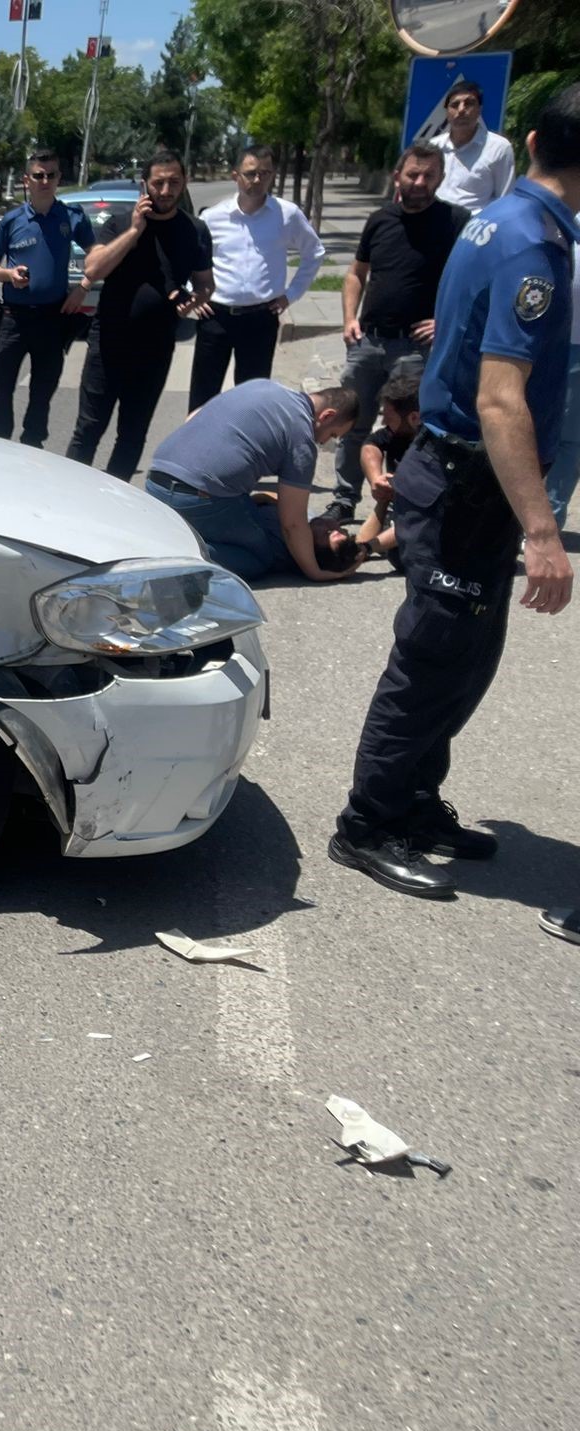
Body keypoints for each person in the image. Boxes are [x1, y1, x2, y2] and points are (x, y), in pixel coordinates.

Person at [330, 83, 579, 900]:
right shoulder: (532, 247)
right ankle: (365, 824)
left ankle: (413, 801)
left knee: (465, 657)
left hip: (469, 480)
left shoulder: (500, 218)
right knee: (432, 657)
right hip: (469, 479)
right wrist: (544, 533)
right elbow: (501, 399)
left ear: (534, 140)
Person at [326, 144, 469, 520]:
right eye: (413, 175)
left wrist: (446, 322)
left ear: (440, 179)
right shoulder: (380, 219)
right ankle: (344, 499)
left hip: (415, 348)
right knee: (352, 423)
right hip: (367, 341)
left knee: (408, 429)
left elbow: (474, 282)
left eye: (429, 176)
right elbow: (356, 273)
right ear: (397, 176)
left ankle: (404, 505)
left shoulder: (456, 221)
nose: (420, 182)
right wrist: (348, 319)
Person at [65, 150, 214, 481]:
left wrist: (196, 301)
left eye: (173, 182)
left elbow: (206, 285)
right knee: (88, 429)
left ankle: (114, 502)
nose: (165, 190)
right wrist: (134, 232)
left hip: (155, 350)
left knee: (132, 436)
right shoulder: (120, 223)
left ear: (184, 183)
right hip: (108, 344)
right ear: (145, 185)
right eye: (158, 183)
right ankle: (67, 495)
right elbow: (93, 268)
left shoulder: (196, 230)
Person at [144, 380, 362, 580]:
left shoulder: (264, 387)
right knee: (260, 557)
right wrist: (315, 572)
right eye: (332, 435)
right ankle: (174, 556)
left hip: (156, 479)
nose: (324, 442)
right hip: (198, 497)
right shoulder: (301, 438)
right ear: (327, 416)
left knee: (244, 510)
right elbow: (293, 523)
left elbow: (193, 416)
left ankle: (173, 536)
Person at [189, 146, 326, 410]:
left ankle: (245, 450)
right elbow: (190, 259)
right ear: (235, 176)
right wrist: (193, 292)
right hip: (215, 317)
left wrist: (291, 294)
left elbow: (314, 253)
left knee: (252, 400)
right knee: (203, 397)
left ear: (272, 175)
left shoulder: (287, 215)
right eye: (250, 173)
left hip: (260, 319)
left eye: (264, 173)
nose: (257, 180)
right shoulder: (212, 217)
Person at [0, 149, 96, 448]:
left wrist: (83, 286)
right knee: (2, 387)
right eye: (38, 175)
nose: (45, 181)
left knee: (43, 390)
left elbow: (98, 255)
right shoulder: (11, 220)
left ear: (59, 178)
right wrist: (9, 275)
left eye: (51, 175)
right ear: (26, 181)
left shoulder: (71, 217)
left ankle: (33, 446)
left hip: (51, 319)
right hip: (14, 319)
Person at [352, 368, 424, 562]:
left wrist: (367, 547)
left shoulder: (433, 452)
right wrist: (379, 483)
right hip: (407, 515)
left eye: (389, 417)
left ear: (414, 418)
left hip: (435, 520)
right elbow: (371, 446)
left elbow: (423, 518)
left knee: (402, 555)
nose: (383, 421)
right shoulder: (397, 433)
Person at [432, 78, 516, 215]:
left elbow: (505, 199)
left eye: (469, 103)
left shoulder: (499, 148)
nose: (461, 110)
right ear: (447, 112)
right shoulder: (434, 147)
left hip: (472, 231)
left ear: (479, 110)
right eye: (455, 105)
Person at [548, 243, 580, 528]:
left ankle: (550, 517)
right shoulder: (563, 221)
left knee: (568, 440)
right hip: (536, 341)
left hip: (577, 347)